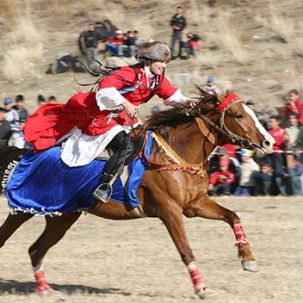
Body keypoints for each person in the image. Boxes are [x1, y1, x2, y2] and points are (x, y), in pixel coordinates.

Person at [24, 42, 195, 208]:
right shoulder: (129, 73)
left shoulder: (156, 79)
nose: (164, 66)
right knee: (127, 145)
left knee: (147, 141)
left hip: (126, 117)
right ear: (149, 61)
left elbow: (172, 96)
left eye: (166, 63)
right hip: (102, 114)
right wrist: (126, 104)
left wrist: (189, 102)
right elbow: (105, 89)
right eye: (161, 62)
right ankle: (104, 186)